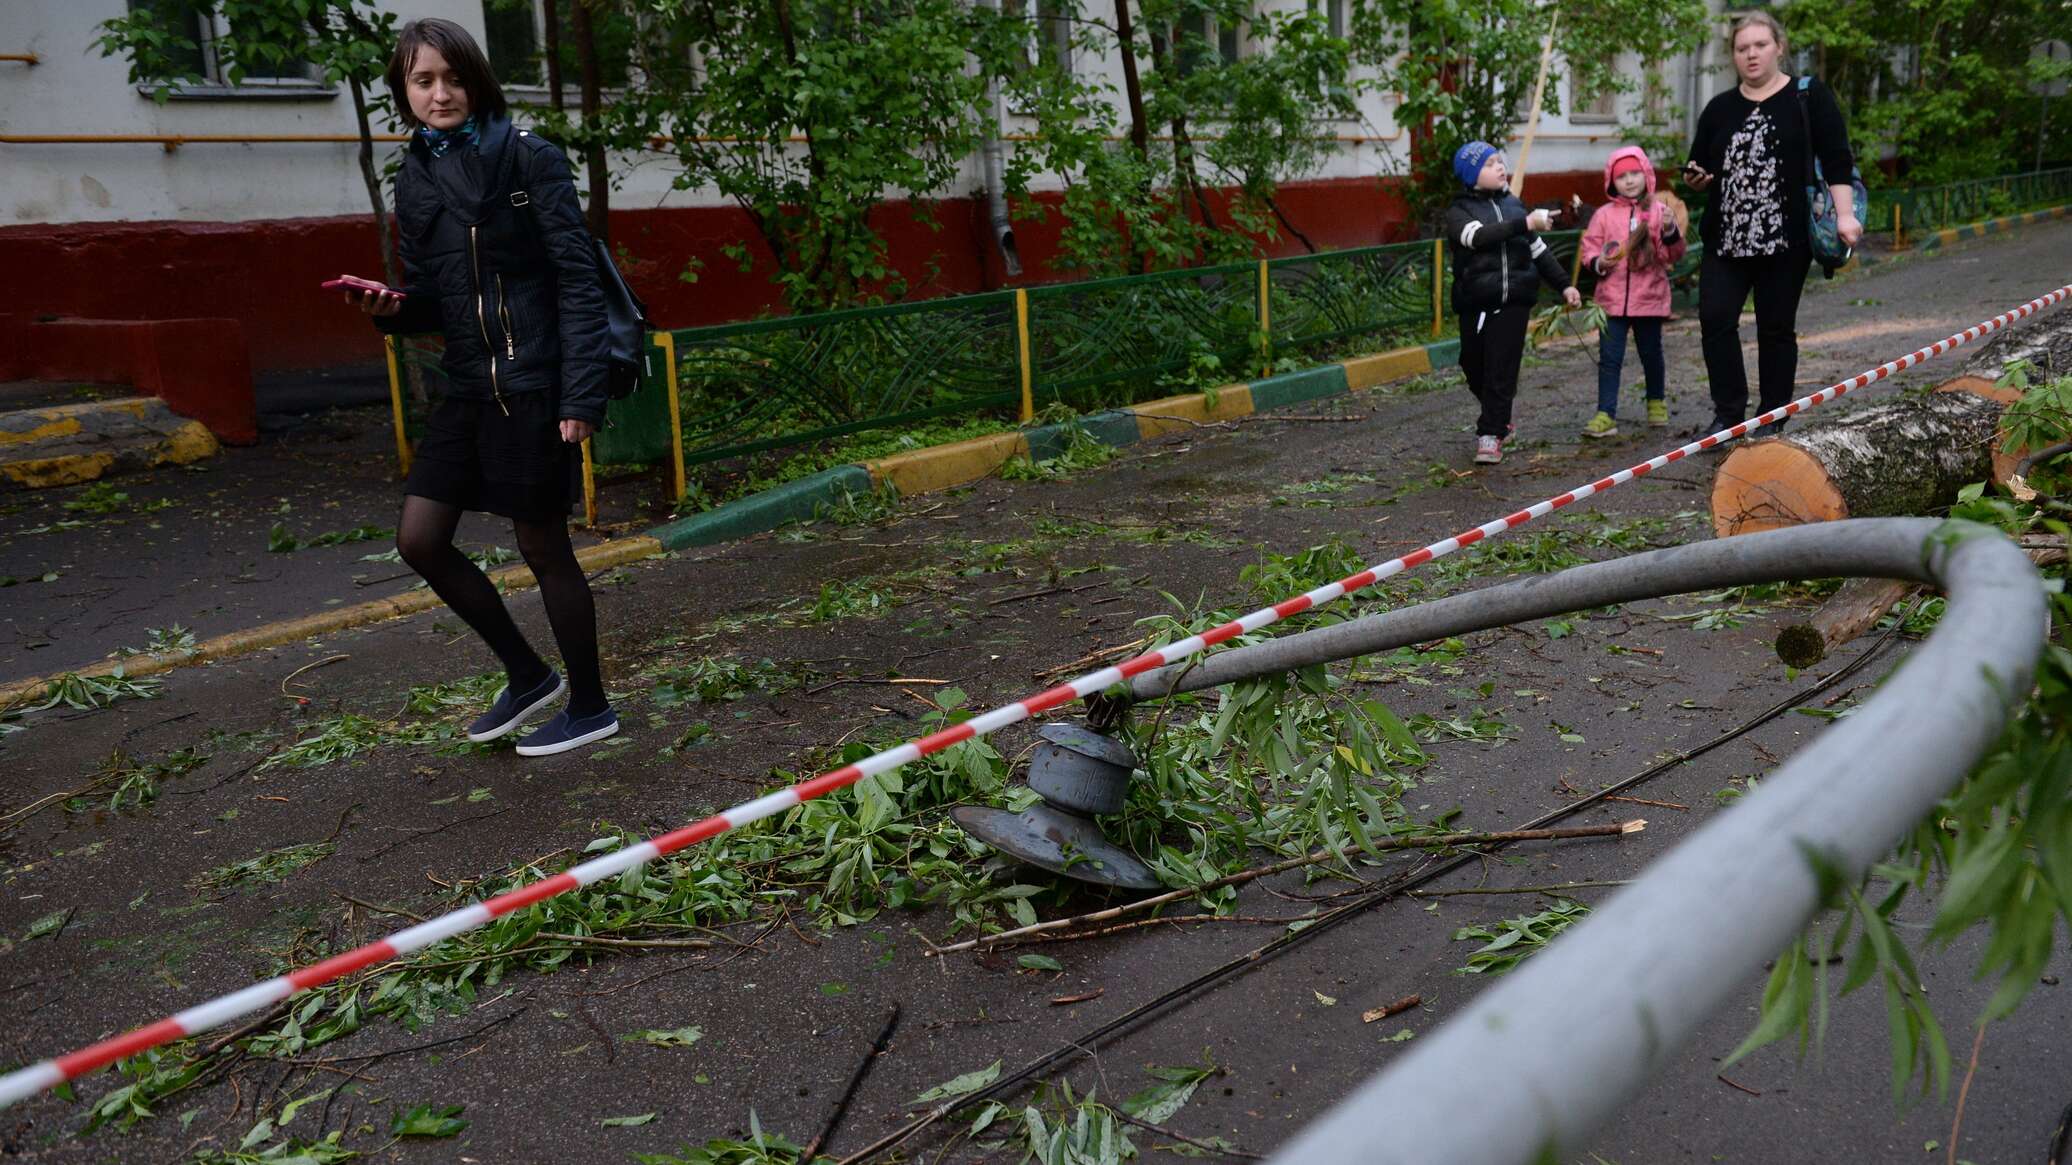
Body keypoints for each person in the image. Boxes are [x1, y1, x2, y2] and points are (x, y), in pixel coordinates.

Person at [334, 18, 617, 756]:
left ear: (475, 80)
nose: (440, 93)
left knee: (542, 544)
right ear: (403, 91)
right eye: (423, 81)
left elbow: (578, 279)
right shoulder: (416, 175)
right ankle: (527, 676)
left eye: (452, 77)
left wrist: (580, 395)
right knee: (419, 539)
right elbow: (434, 295)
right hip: (468, 385)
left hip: (532, 381)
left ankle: (590, 705)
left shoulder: (529, 160)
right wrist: (390, 311)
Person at [1683, 10, 1860, 439]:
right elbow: (1699, 164)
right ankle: (1728, 414)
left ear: (1779, 47)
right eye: (1742, 48)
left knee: (1775, 328)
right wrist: (1695, 177)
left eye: (1760, 45)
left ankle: (1771, 416)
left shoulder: (1807, 95)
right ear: (1734, 56)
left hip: (1785, 240)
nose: (1751, 54)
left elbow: (1837, 157)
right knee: (1716, 319)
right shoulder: (1719, 108)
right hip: (1726, 240)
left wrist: (1846, 214)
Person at [1443, 141, 1583, 465]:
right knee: (1472, 364)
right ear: (1472, 174)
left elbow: (1539, 252)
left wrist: (1564, 286)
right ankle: (1499, 413)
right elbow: (1478, 238)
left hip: (1515, 303)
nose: (1500, 167)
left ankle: (1490, 434)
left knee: (1501, 369)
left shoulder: (1515, 205)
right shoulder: (1459, 212)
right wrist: (1525, 223)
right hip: (1475, 302)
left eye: (1499, 161)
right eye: (1490, 163)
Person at [1578, 146, 1688, 438]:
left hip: (1648, 299)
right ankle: (1605, 413)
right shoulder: (1603, 215)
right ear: (1611, 181)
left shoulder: (1659, 212)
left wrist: (1668, 230)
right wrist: (1598, 262)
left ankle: (1656, 402)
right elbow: (1589, 247)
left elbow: (1673, 254)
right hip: (1610, 302)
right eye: (1621, 176)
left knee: (1651, 354)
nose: (1629, 181)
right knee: (1609, 359)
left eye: (1634, 173)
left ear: (1646, 174)